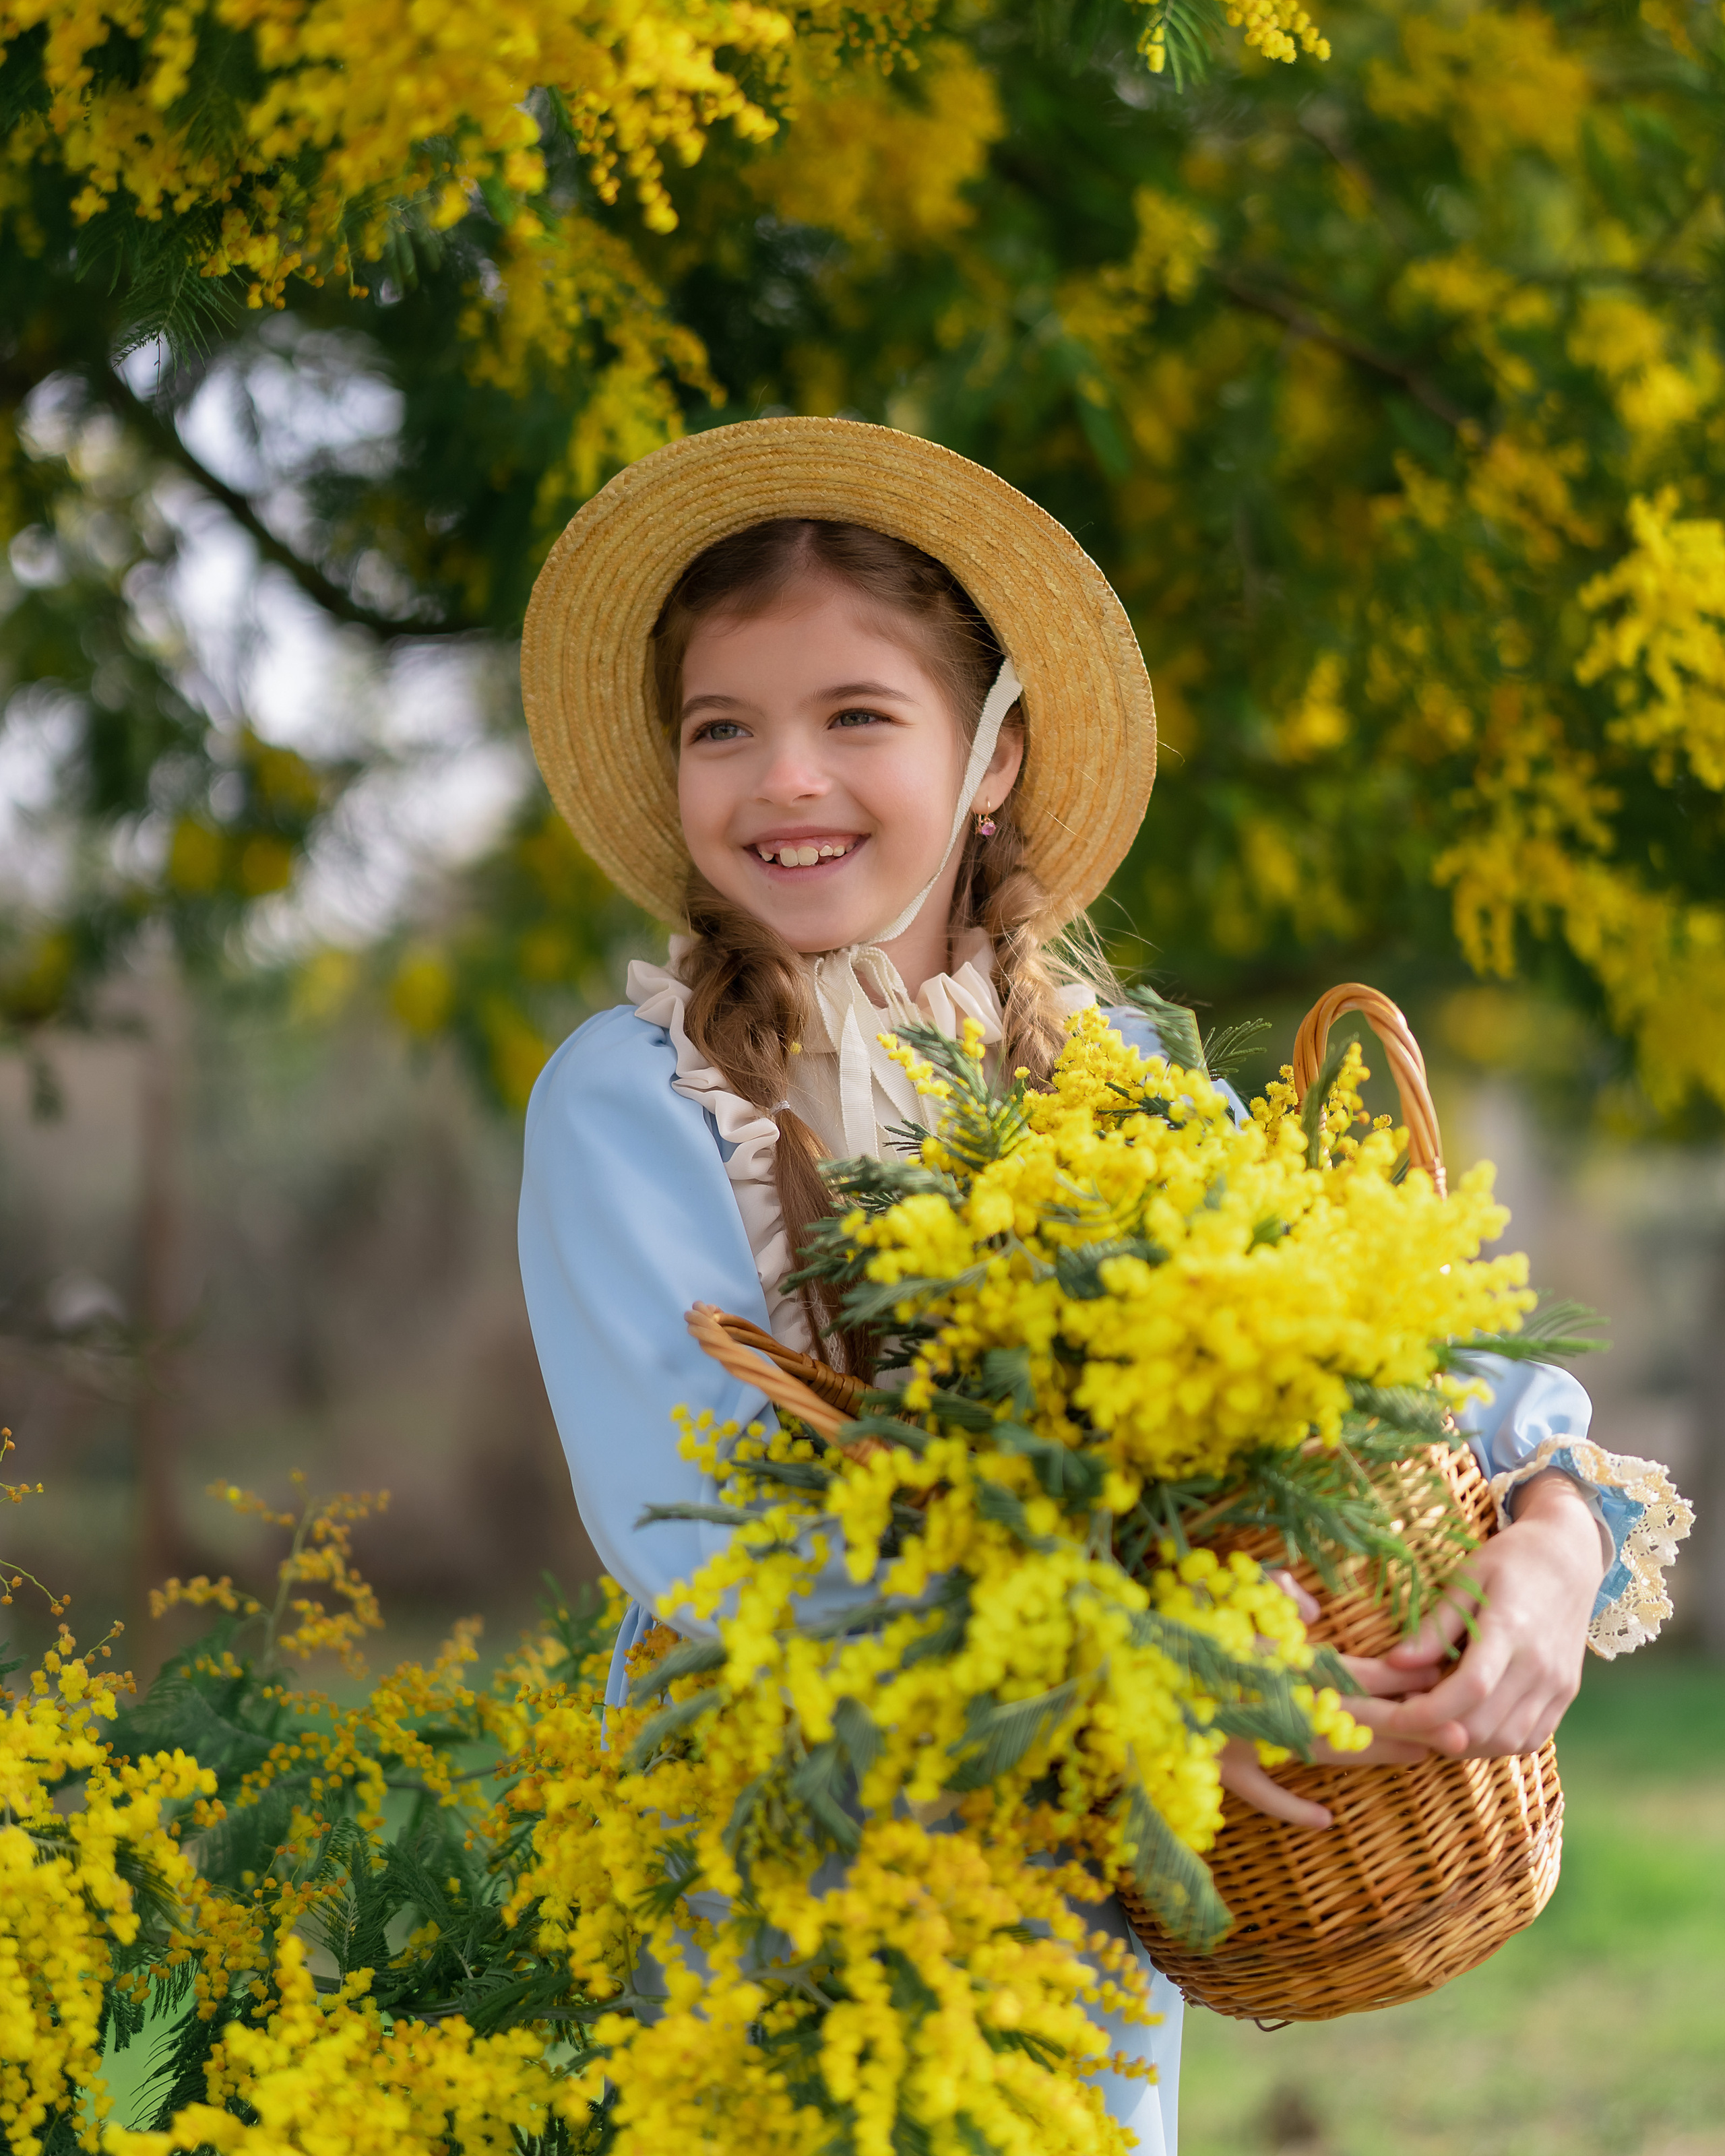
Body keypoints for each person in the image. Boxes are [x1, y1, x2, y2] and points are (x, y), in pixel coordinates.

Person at [516, 417, 1691, 2154]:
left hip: (1087, 1911)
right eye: (723, 729)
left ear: (991, 756)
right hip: (777, 1888)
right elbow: (710, 1527)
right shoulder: (627, 1102)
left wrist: (1552, 1537)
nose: (783, 780)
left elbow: (1378, 1360)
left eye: (856, 715)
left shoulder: (1121, 1074)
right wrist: (1135, 1681)